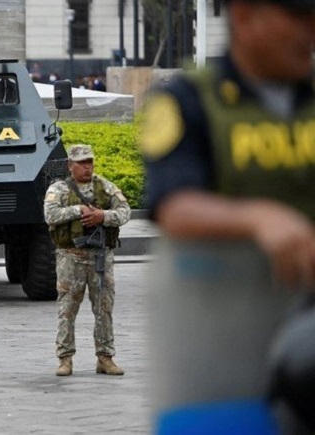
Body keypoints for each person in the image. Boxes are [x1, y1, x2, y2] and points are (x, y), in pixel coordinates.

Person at [139, 0, 315, 431]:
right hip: (220, 340)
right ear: (245, 15)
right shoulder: (187, 99)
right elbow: (174, 205)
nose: (310, 28)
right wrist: (259, 219)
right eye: (298, 13)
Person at [43, 144, 131, 377]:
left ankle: (105, 357)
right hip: (70, 257)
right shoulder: (59, 189)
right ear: (70, 165)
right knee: (67, 309)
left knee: (104, 308)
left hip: (100, 256)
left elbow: (125, 212)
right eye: (81, 163)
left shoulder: (105, 187)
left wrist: (103, 216)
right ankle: (65, 359)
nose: (87, 167)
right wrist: (79, 210)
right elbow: (50, 215)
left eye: (89, 162)